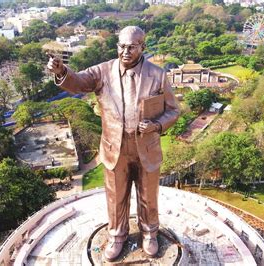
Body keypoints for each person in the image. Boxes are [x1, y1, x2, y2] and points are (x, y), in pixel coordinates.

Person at [47, 26, 179, 261]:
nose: (125, 51)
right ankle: (117, 235)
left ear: (142, 47)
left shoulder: (157, 75)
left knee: (148, 194)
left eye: (131, 47)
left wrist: (156, 126)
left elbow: (173, 111)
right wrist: (62, 71)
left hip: (145, 147)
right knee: (116, 195)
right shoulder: (102, 72)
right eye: (121, 46)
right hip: (114, 148)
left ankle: (150, 233)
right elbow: (78, 82)